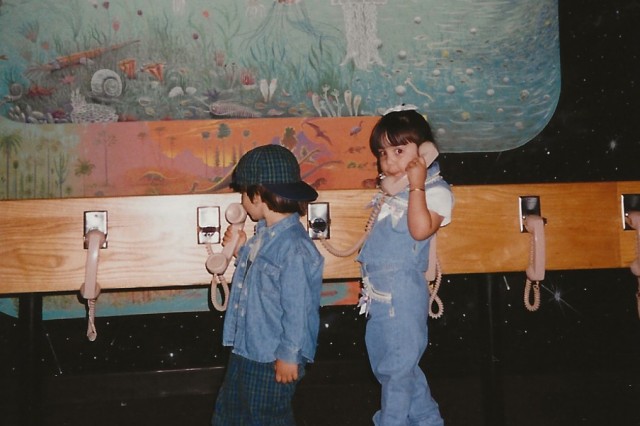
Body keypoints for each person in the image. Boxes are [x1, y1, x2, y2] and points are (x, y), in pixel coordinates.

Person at [211, 144, 325, 425]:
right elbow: (263, 280)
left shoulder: (294, 247)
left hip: (272, 355)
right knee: (230, 414)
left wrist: (289, 355)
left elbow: (298, 308)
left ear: (257, 195)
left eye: (243, 192)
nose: (241, 199)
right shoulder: (264, 235)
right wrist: (239, 252)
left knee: (266, 418)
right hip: (247, 348)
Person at [357, 106, 453, 426]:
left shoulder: (435, 192)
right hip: (379, 294)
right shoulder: (391, 193)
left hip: (401, 292)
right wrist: (395, 187)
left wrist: (416, 184)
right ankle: (428, 421)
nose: (390, 160)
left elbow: (420, 230)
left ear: (424, 152)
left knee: (396, 372)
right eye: (384, 153)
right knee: (395, 366)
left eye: (399, 150)